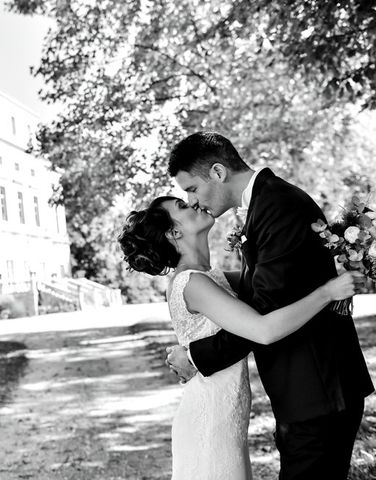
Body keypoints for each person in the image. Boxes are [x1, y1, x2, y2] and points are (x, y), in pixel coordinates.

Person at [162, 132, 373, 479]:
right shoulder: (265, 202)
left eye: (192, 189)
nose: (193, 200)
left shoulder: (276, 206)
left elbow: (263, 316)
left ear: (217, 172)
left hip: (317, 390)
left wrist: (196, 356)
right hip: (307, 390)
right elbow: (270, 285)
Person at [118, 195, 363, 479]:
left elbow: (278, 285)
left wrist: (340, 252)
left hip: (228, 414)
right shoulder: (192, 283)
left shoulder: (210, 277)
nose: (194, 203)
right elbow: (264, 330)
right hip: (210, 417)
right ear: (174, 232)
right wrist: (328, 293)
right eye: (183, 206)